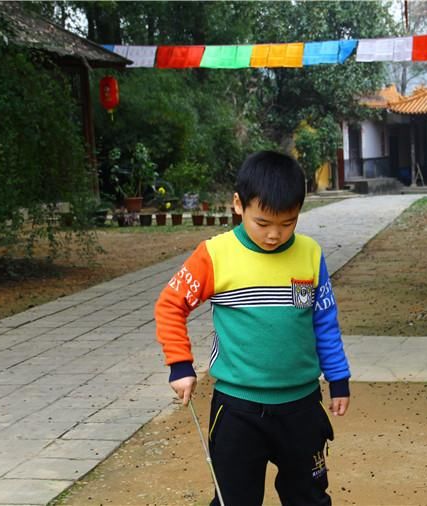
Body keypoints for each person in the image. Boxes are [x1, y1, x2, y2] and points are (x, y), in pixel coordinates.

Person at [154, 150, 351, 506]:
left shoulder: (310, 254)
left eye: (288, 222)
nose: (275, 235)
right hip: (238, 410)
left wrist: (339, 379)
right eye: (263, 223)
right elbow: (170, 304)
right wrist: (180, 365)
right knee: (236, 500)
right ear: (238, 205)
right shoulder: (214, 254)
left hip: (302, 407)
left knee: (309, 497)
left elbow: (324, 321)